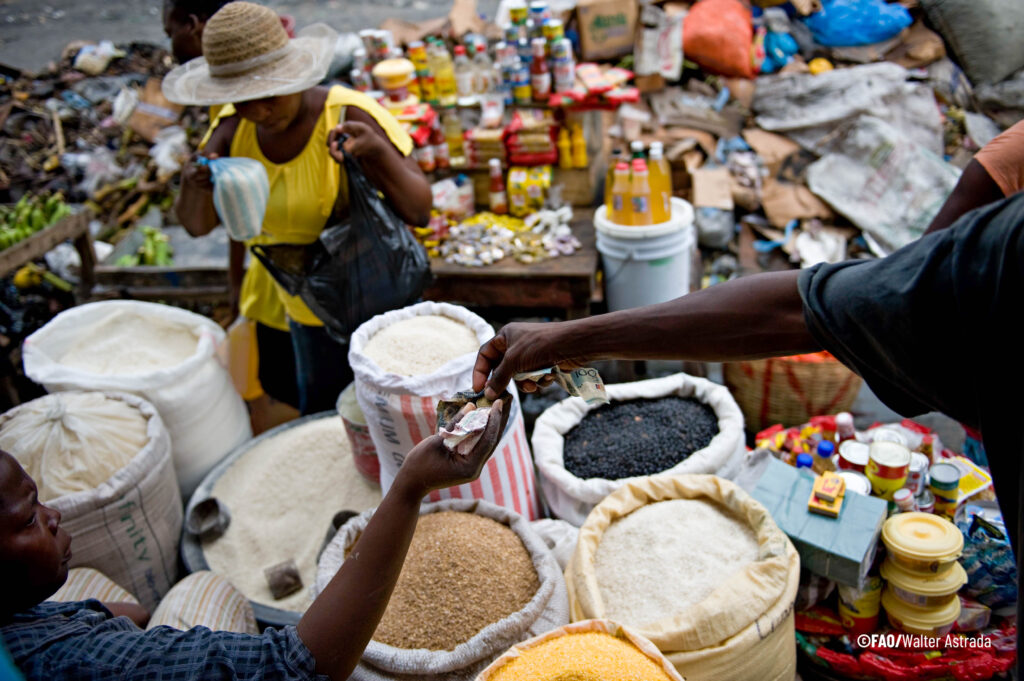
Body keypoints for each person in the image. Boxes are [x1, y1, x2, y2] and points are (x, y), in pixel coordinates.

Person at [473, 192, 1024, 672]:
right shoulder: (1002, 250)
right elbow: (813, 305)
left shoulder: (1002, 249)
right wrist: (572, 341)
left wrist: (574, 340)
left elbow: (808, 306)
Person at [0, 398, 510, 681]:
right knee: (212, 590)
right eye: (27, 520)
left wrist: (128, 619)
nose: (54, 515)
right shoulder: (76, 662)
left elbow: (79, 618)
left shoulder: (29, 622)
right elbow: (301, 666)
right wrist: (407, 490)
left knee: (121, 588)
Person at [166, 2, 432, 414]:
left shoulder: (347, 113)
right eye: (241, 99)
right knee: (328, 416)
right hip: (302, 307)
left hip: (373, 300)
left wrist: (376, 152)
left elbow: (420, 211)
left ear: (292, 74)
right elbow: (198, 226)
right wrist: (194, 184)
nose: (257, 111)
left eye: (267, 95)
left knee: (395, 411)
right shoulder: (233, 128)